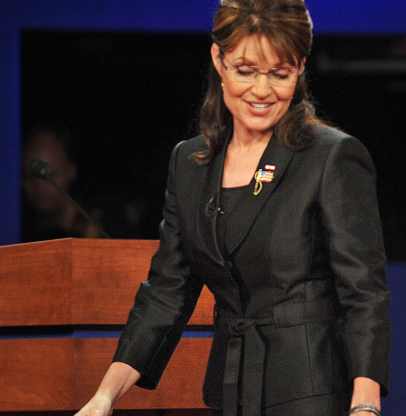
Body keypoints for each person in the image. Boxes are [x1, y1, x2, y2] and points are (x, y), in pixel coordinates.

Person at [75, 1, 389, 415]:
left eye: (279, 74)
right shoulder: (189, 163)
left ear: (300, 69)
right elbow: (167, 291)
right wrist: (105, 396)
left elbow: (364, 293)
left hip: (312, 394)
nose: (261, 91)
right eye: (245, 71)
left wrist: (365, 405)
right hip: (230, 390)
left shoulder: (331, 156)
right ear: (218, 60)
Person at [21, 124, 104, 241]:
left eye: (49, 175)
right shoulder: (21, 234)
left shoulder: (98, 224)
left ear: (71, 170)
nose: (39, 186)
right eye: (29, 177)